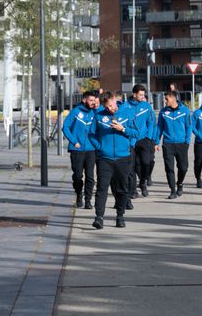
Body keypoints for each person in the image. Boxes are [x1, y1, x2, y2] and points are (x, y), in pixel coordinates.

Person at [88, 94, 139, 229]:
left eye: (111, 105)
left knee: (121, 188)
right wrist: (100, 148)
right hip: (105, 158)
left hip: (123, 158)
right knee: (102, 188)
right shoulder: (99, 116)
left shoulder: (127, 112)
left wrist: (122, 129)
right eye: (107, 107)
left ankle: (120, 216)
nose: (110, 109)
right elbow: (91, 134)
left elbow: (136, 133)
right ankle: (99, 217)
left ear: (115, 100)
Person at [62, 90, 100, 210]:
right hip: (77, 149)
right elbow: (65, 127)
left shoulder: (95, 112)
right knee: (78, 176)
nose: (93, 103)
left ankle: (88, 200)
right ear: (84, 100)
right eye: (91, 100)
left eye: (94, 100)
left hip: (91, 149)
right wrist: (74, 141)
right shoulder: (75, 111)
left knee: (90, 177)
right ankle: (79, 194)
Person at [157, 91, 192, 199]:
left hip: (181, 144)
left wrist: (187, 141)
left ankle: (180, 183)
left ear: (173, 99)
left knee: (183, 167)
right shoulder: (163, 112)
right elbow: (159, 128)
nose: (165, 101)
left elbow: (189, 127)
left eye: (166, 99)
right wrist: (156, 142)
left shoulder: (185, 111)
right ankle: (172, 191)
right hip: (168, 144)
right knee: (169, 168)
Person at [126, 85, 157, 199]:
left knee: (146, 162)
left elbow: (151, 122)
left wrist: (149, 137)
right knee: (131, 167)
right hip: (130, 140)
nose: (143, 97)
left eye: (144, 95)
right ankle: (133, 190)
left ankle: (143, 182)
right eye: (141, 95)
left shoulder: (146, 106)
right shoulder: (126, 106)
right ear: (134, 94)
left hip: (144, 139)